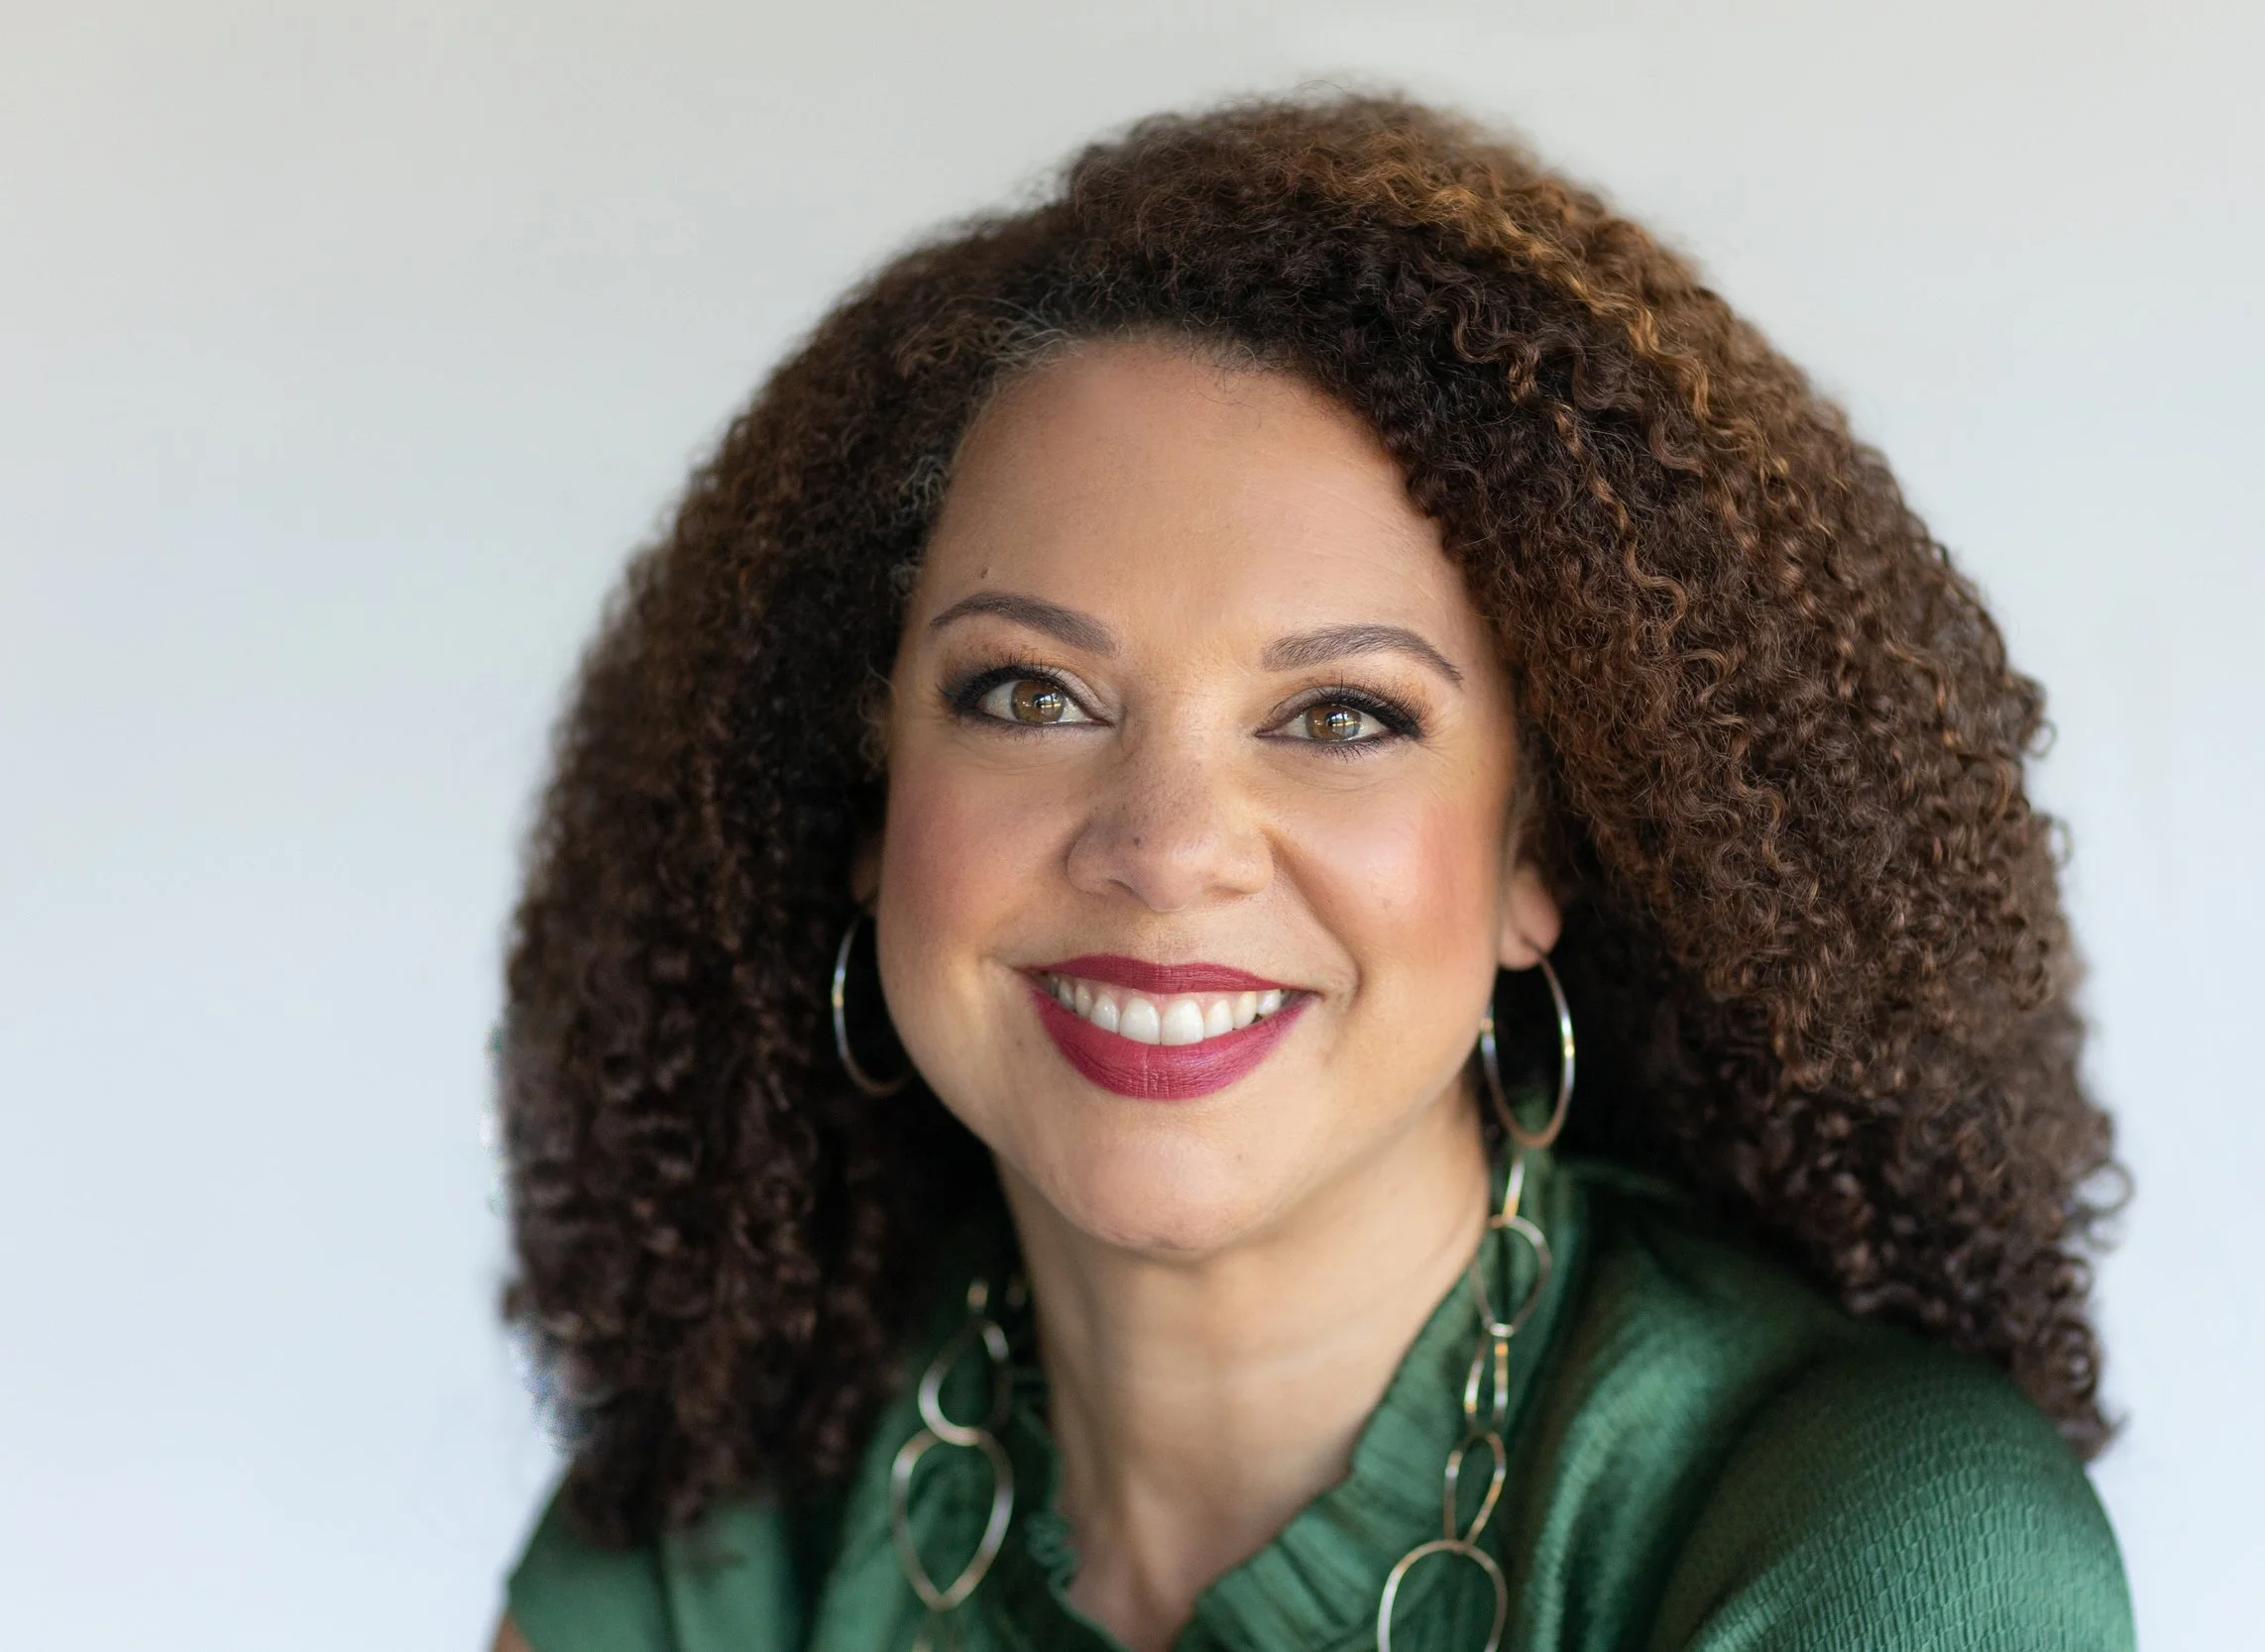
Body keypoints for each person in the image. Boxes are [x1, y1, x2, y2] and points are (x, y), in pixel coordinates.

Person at [489, 93, 2133, 1652]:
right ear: (864, 794)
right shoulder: (717, 1531)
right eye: (1030, 694)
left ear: (1535, 857)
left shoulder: (1878, 1542)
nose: (1165, 846)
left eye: (1343, 713)